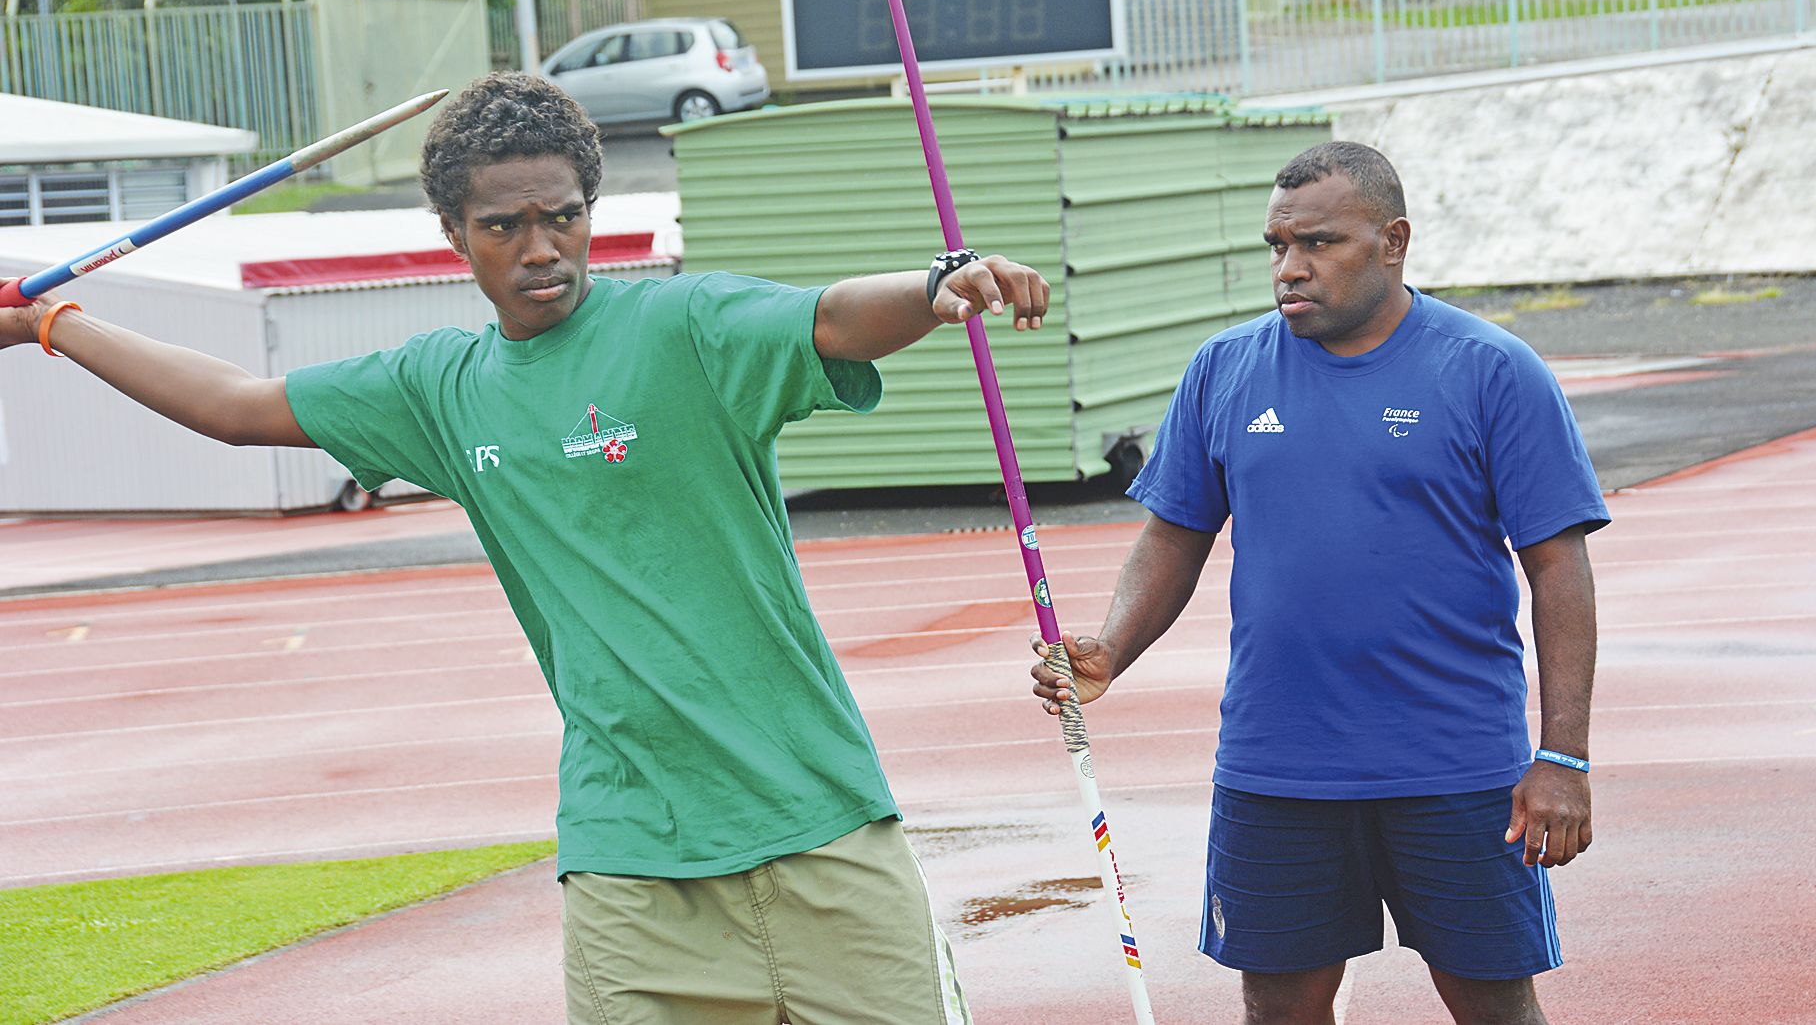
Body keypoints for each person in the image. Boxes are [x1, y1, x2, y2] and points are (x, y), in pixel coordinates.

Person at [5, 72, 1054, 1025]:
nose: (541, 247)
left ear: (592, 212)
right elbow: (236, 405)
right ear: (457, 236)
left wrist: (935, 286)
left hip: (822, 826)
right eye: (506, 226)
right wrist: (54, 322)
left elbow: (829, 318)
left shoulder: (687, 326)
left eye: (563, 217)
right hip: (631, 862)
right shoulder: (438, 389)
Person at [1030, 141, 1609, 1025]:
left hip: (1454, 765)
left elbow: (1558, 568)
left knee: (1495, 1005)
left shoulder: (1491, 370)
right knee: (1279, 1008)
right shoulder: (1223, 370)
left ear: (1393, 241)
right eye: (1276, 245)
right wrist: (1111, 646)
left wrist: (1562, 755)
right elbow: (1173, 535)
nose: (1289, 269)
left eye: (1319, 244)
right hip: (1279, 765)